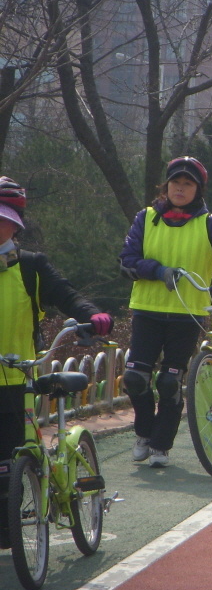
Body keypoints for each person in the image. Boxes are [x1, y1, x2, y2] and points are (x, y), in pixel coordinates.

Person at [119, 157, 212, 466]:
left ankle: (161, 445)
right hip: (147, 311)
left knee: (169, 382)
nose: (180, 188)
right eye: (176, 182)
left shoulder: (209, 223)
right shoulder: (145, 218)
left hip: (186, 315)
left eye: (188, 184)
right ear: (166, 186)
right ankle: (145, 433)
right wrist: (157, 270)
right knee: (135, 378)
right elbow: (127, 260)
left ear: (197, 190)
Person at [0, 177, 112, 549]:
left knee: (11, 464)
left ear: (16, 226)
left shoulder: (30, 266)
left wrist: (92, 315)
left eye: (4, 221)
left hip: (17, 381)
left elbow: (67, 294)